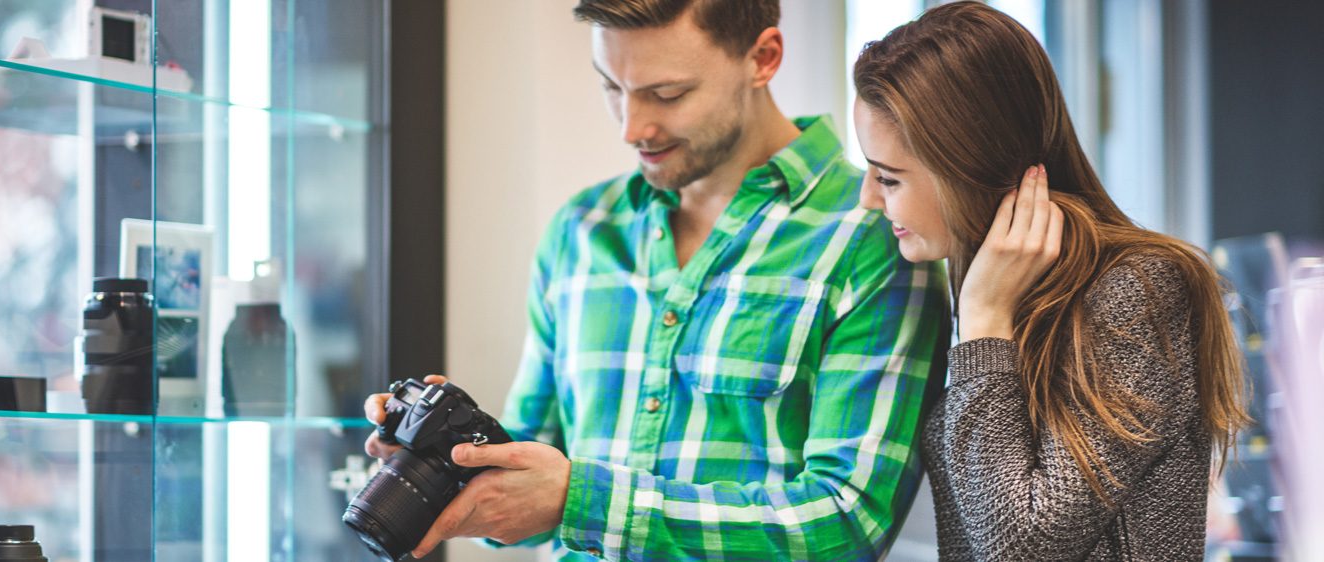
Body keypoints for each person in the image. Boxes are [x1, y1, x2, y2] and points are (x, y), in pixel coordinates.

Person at [364, 0, 952, 560]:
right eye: (610, 87)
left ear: (763, 57)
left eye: (666, 93)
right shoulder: (580, 232)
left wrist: (580, 501)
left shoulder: (875, 237)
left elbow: (847, 524)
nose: (632, 127)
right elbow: (525, 478)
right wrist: (451, 465)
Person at [850, 2, 1253, 560]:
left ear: (967, 168)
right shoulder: (997, 289)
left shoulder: (1140, 290)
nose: (868, 198)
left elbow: (1021, 547)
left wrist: (986, 321)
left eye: (888, 178)